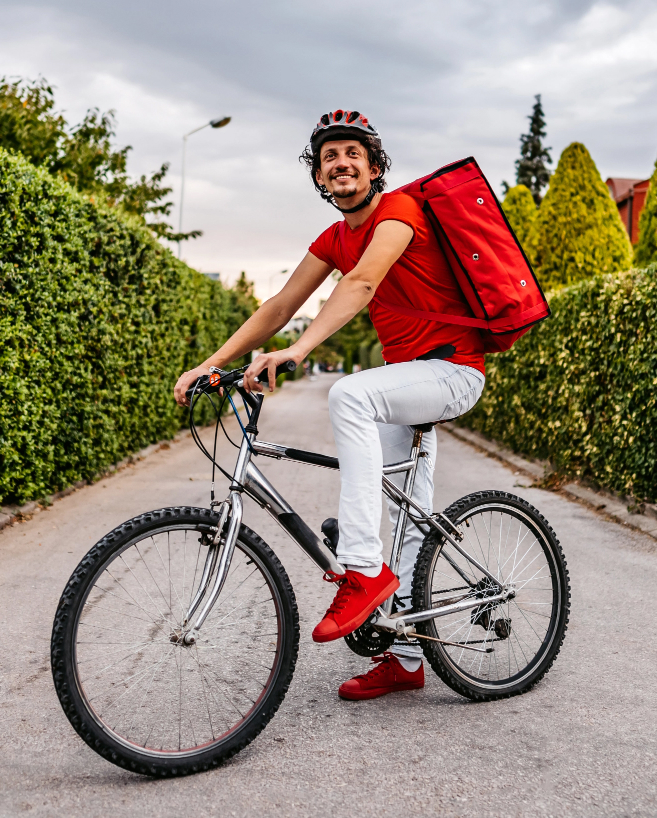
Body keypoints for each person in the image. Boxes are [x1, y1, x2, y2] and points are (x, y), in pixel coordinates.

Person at [173, 110, 485, 700]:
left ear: (374, 167)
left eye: (352, 154)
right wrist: (211, 363)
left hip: (453, 371)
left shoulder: (399, 211)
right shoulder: (333, 238)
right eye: (329, 157)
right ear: (319, 176)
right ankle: (406, 659)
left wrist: (299, 350)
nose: (341, 163)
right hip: (406, 381)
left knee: (349, 393)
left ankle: (362, 570)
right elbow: (279, 306)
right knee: (408, 517)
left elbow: (361, 282)